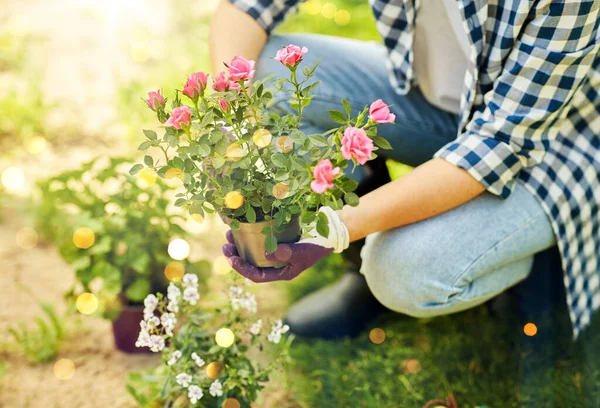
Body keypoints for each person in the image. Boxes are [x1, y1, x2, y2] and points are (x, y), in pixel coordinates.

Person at [211, 0, 600, 339]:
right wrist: (236, 124)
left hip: (556, 144)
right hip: (441, 102)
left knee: (400, 273)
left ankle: (535, 264)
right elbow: (247, 6)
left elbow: (498, 144)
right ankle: (359, 271)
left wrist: (333, 231)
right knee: (263, 75)